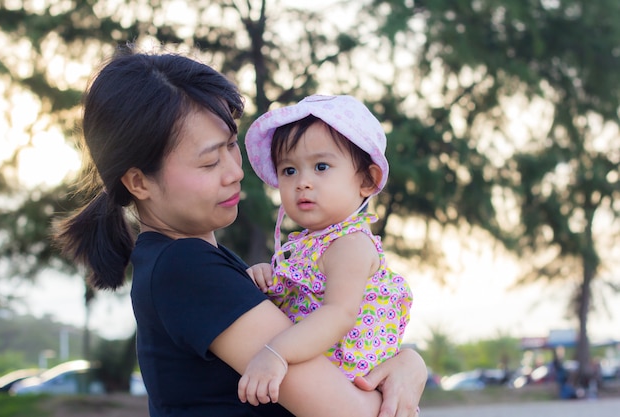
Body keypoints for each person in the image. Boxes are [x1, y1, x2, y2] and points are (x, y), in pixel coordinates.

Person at [52, 44, 427, 417]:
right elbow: (353, 413)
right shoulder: (186, 268)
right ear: (138, 182)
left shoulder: (202, 261)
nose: (235, 171)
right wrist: (409, 370)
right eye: (210, 161)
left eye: (232, 146)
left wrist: (408, 364)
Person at [240, 95, 414, 405]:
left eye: (321, 166)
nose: (302, 182)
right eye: (289, 170)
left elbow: (339, 313)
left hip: (349, 388)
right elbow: (298, 301)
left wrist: (276, 352)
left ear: (367, 180)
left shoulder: (350, 244)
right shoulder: (306, 245)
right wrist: (269, 279)